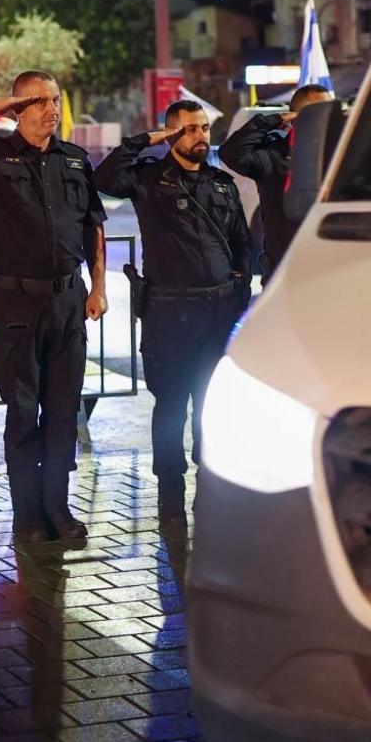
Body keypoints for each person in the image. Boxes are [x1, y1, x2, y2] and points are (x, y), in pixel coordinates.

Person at [0, 71, 107, 544]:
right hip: (16, 304)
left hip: (68, 301)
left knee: (63, 409)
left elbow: (93, 227)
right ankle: (26, 513)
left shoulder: (74, 160)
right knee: (23, 410)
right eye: (41, 101)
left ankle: (57, 506)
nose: (52, 109)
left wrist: (98, 287)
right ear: (19, 108)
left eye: (55, 100)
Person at [94, 99, 250, 520]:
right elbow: (104, 178)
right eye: (190, 129)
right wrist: (146, 140)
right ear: (172, 135)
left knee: (210, 404)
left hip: (218, 314)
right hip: (170, 315)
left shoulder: (221, 183)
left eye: (204, 128)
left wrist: (239, 286)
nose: (201, 136)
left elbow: (241, 243)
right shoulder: (149, 179)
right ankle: (169, 491)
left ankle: (209, 482)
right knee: (171, 405)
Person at [221, 82, 333, 277]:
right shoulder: (272, 155)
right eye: (319, 112)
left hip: (330, 267)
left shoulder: (339, 154)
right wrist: (269, 121)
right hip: (285, 271)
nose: (328, 118)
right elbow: (231, 153)